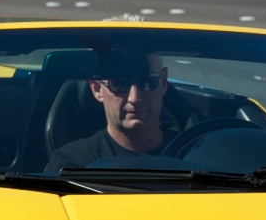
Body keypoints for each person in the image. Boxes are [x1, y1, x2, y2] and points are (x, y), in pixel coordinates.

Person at [45, 52, 173, 173]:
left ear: (163, 82)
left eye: (147, 82)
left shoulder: (188, 151)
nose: (135, 98)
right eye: (119, 83)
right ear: (97, 89)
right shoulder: (72, 166)